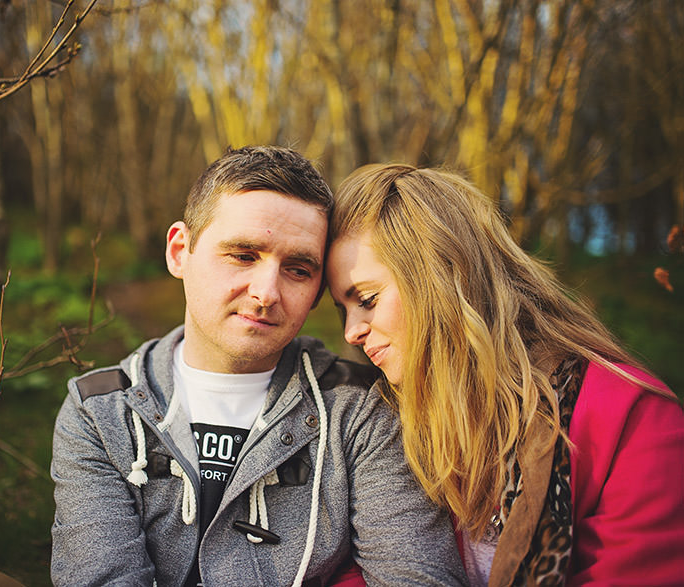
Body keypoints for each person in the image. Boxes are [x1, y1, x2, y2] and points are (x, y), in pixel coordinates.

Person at [50, 147, 465, 586]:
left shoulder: (361, 410)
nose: (266, 293)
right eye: (243, 255)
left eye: (299, 269)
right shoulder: (100, 411)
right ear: (179, 251)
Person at [325, 163, 684, 586]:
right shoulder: (384, 428)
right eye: (342, 309)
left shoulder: (631, 419)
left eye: (366, 299)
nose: (351, 332)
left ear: (443, 276)